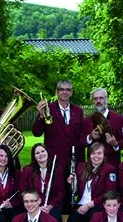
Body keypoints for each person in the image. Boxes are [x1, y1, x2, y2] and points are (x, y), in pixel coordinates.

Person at [32, 79, 84, 211]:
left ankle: (68, 218)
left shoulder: (78, 111)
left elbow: (80, 136)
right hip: (54, 159)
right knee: (55, 189)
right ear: (57, 91)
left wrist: (81, 160)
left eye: (68, 90)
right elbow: (36, 133)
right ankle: (54, 217)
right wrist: (40, 114)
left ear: (71, 92)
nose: (65, 92)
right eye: (62, 89)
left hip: (73, 158)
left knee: (71, 189)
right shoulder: (49, 108)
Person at [64, 142, 118, 222]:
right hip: (81, 203)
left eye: (99, 153)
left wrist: (89, 205)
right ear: (89, 155)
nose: (96, 156)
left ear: (104, 155)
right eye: (93, 153)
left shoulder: (109, 169)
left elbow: (109, 193)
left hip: (98, 205)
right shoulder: (81, 167)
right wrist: (72, 184)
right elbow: (76, 191)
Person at [19, 144, 64, 222]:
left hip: (52, 205)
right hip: (32, 205)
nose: (41, 154)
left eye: (43, 151)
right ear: (34, 156)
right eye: (37, 153)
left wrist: (50, 206)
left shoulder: (56, 169)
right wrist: (36, 206)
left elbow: (61, 191)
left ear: (47, 152)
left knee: (55, 219)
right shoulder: (28, 170)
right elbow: (23, 191)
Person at [81, 88, 123, 167]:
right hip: (92, 166)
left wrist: (116, 144)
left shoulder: (118, 119)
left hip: (112, 164)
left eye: (101, 98)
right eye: (95, 99)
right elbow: (80, 142)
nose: (98, 101)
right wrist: (90, 137)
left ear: (107, 99)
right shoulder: (87, 121)